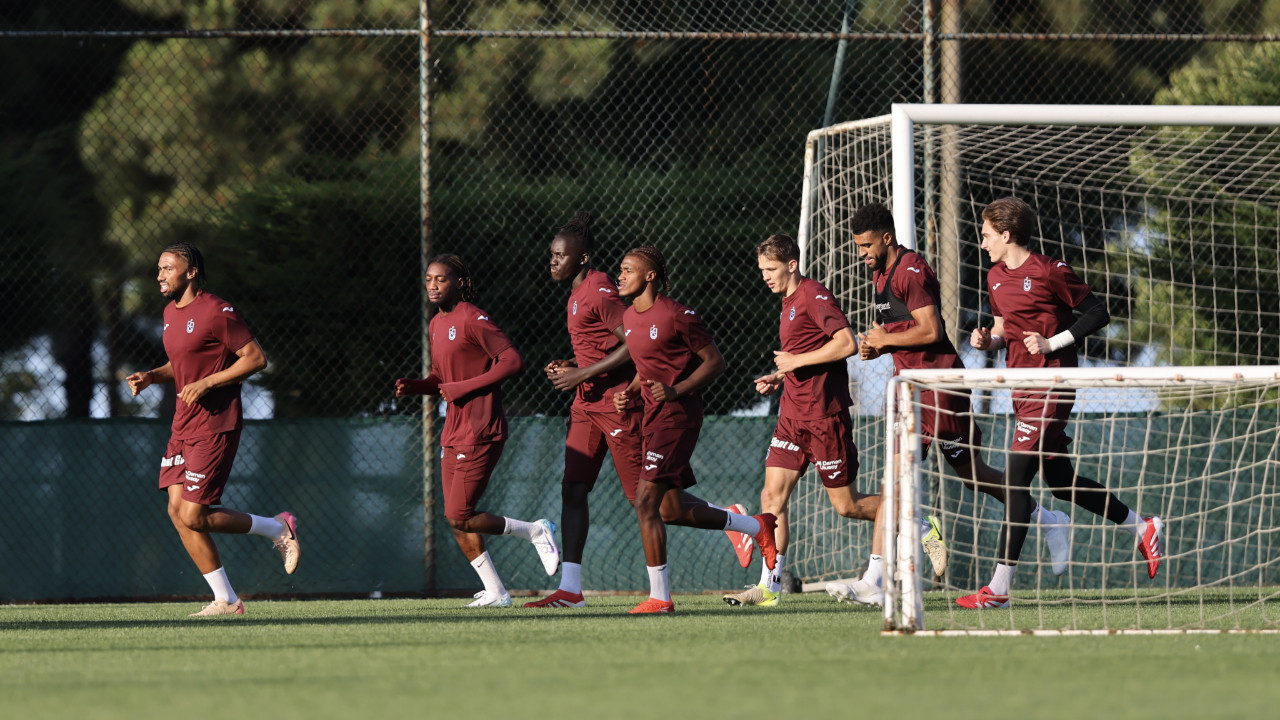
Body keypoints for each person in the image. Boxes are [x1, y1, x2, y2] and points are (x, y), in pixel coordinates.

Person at [825, 203, 1072, 607]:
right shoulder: (881, 273)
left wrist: (885, 340)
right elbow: (904, 331)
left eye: (867, 245)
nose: (862, 253)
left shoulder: (911, 269)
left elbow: (931, 329)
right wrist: (879, 345)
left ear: (887, 237)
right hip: (913, 388)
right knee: (973, 475)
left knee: (894, 480)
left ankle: (876, 577)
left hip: (938, 389)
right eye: (858, 247)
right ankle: (1047, 519)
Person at [526, 213, 752, 609]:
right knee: (573, 490)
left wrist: (586, 373)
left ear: (583, 258)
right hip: (586, 407)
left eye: (561, 255)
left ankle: (736, 522)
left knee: (659, 506)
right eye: (551, 255)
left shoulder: (599, 290)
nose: (553, 261)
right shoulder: (576, 294)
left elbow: (632, 343)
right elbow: (602, 345)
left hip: (617, 407)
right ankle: (571, 590)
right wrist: (571, 366)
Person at [962, 196, 1164, 608]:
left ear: (1006, 234)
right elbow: (1005, 328)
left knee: (1016, 482)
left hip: (1052, 387)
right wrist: (989, 340)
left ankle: (998, 590)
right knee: (1060, 483)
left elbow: (1097, 313)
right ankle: (1141, 526)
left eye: (985, 235)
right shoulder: (994, 276)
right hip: (1021, 390)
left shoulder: (1050, 271)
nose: (982, 243)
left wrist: (1052, 342)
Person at [724, 233, 940, 609]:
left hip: (825, 416)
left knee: (847, 506)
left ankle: (918, 523)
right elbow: (804, 353)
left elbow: (846, 344)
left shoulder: (812, 294)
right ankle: (769, 585)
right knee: (771, 496)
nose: (765, 277)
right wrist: (780, 376)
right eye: (762, 271)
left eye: (771, 269)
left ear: (792, 264)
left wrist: (794, 363)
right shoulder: (788, 302)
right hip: (792, 415)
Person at [126, 242, 299, 617]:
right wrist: (152, 376)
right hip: (182, 424)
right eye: (159, 268)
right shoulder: (170, 313)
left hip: (215, 423)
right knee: (176, 512)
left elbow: (255, 358)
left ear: (190, 272)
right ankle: (227, 600)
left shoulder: (217, 310)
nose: (159, 275)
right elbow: (185, 362)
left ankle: (277, 528)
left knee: (194, 515)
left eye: (168, 268)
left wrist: (208, 384)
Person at [612, 246, 778, 614]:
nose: (620, 275)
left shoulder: (676, 315)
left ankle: (661, 598)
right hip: (652, 417)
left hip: (678, 416)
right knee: (668, 510)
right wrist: (630, 391)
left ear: (650, 276)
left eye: (627, 270)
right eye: (620, 270)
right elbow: (647, 365)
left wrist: (676, 391)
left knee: (644, 502)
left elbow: (716, 362)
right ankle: (754, 526)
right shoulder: (627, 317)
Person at [395, 253, 560, 608]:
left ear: (460, 283)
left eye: (441, 279)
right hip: (453, 430)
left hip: (481, 428)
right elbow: (444, 379)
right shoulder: (436, 324)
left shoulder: (472, 317)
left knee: (461, 514)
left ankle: (535, 531)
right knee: (455, 517)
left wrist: (465, 388)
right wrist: (418, 386)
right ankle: (497, 592)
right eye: (428, 279)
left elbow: (512, 360)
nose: (433, 286)